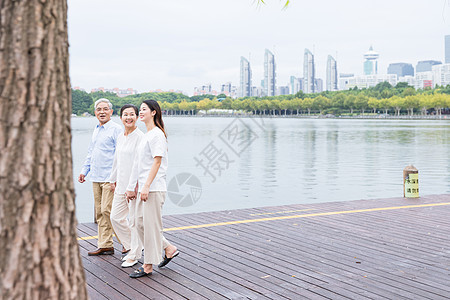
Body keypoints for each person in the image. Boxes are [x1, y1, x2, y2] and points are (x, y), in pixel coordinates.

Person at [126, 100, 179, 278]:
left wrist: (146, 186)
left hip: (154, 188)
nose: (140, 112)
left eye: (143, 110)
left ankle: (148, 265)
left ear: (154, 112)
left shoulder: (157, 135)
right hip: (143, 187)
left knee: (149, 226)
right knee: (139, 222)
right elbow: (138, 164)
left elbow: (157, 161)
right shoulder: (147, 135)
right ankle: (168, 248)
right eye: (139, 110)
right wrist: (133, 186)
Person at [79, 98, 123, 256]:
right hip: (96, 176)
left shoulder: (116, 129)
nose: (102, 112)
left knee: (108, 210)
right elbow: (91, 152)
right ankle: (106, 245)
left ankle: (127, 242)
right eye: (99, 109)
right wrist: (85, 170)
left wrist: (117, 177)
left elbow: (121, 155)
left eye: (105, 109)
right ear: (95, 112)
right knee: (99, 212)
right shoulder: (97, 129)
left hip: (110, 178)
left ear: (111, 112)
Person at [109, 104, 144, 267]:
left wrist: (133, 186)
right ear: (120, 117)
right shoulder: (121, 136)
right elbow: (117, 160)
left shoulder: (140, 137)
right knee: (115, 217)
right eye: (125, 114)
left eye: (132, 114)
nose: (128, 117)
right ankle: (133, 247)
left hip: (134, 187)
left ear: (137, 117)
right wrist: (112, 179)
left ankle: (134, 254)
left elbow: (139, 165)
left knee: (134, 222)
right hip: (121, 185)